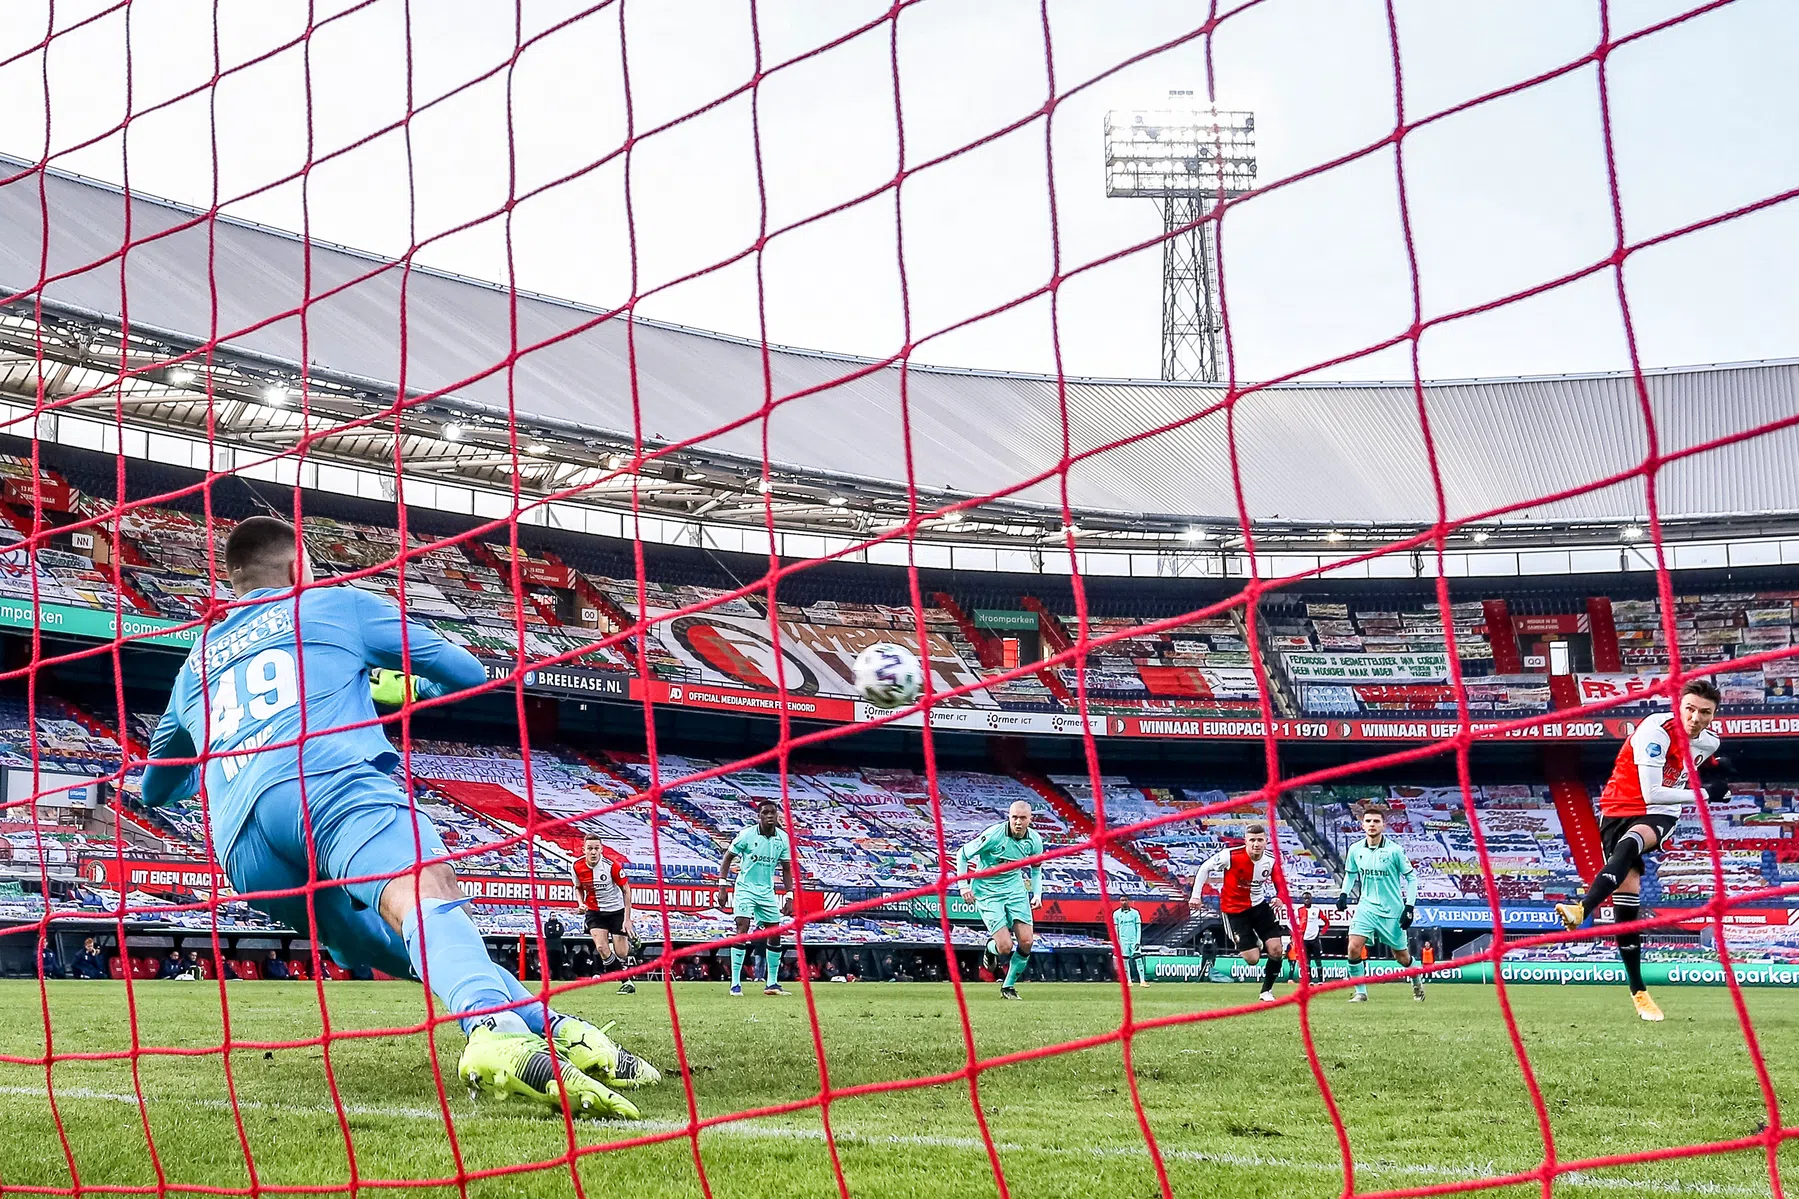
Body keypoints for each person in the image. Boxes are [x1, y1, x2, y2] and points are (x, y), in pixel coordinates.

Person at [139, 516, 658, 1117]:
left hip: (242, 846)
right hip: (323, 782)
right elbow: (464, 672)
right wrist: (396, 687)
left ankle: (566, 1032)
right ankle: (499, 1039)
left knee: (414, 942)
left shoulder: (195, 661)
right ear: (296, 569)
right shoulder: (335, 606)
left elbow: (156, 786)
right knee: (427, 894)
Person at [1555, 678, 1725, 1022]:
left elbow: (1670, 791)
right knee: (1626, 902)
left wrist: (1715, 774)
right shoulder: (1654, 730)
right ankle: (1639, 992)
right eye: (1689, 709)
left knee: (1632, 843)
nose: (1695, 717)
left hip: (1661, 815)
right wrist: (1708, 794)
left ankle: (1582, 908)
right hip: (1619, 808)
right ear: (1678, 707)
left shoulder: (1709, 742)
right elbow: (1652, 792)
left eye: (1704, 712)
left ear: (1713, 714)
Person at [954, 800, 1044, 1000]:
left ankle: (1008, 986)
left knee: (1027, 941)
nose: (1018, 822)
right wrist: (963, 886)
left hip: (1015, 889)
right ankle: (990, 948)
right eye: (1014, 818)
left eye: (1022, 818)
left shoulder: (1035, 841)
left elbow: (1036, 869)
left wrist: (1037, 894)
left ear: (1030, 819)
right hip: (987, 891)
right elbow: (962, 854)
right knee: (1005, 947)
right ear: (1009, 817)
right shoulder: (994, 835)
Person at [1188, 823, 1287, 1002]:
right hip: (1234, 911)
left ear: (1266, 841)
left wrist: (1280, 897)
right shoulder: (1230, 856)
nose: (1256, 844)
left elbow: (1280, 883)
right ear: (1246, 841)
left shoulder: (1271, 861)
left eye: (1260, 840)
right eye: (1252, 840)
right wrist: (1196, 896)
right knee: (1252, 959)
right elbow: (1204, 868)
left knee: (1276, 950)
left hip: (1259, 907)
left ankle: (1266, 991)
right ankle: (1254, 939)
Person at [1337, 807, 1424, 1004]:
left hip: (1392, 910)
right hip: (1366, 907)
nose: (1372, 825)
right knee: (1353, 948)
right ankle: (1361, 992)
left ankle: (1416, 978)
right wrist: (1344, 893)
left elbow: (1412, 878)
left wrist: (1409, 907)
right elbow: (1351, 874)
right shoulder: (1356, 849)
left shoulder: (1394, 851)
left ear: (1383, 825)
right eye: (1368, 821)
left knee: (1401, 957)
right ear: (1362, 825)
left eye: (1376, 821)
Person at [717, 799, 796, 997]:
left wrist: (789, 895)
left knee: (775, 932)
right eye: (765, 813)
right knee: (742, 927)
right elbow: (727, 858)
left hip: (767, 891)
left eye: (773, 812)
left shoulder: (783, 839)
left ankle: (772, 983)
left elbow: (787, 869)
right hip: (745, 888)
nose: (770, 816)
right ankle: (735, 983)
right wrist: (722, 886)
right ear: (758, 816)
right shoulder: (746, 835)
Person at [573, 833, 635, 994]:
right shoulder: (576, 866)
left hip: (616, 911)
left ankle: (633, 942)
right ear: (584, 850)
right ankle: (626, 981)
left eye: (596, 849)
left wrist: (627, 919)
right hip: (595, 912)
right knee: (601, 947)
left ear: (601, 849)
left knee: (622, 952)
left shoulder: (612, 866)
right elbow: (578, 888)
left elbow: (626, 890)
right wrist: (580, 903)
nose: (593, 852)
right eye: (590, 849)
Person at [1113, 898, 1149, 986]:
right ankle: (1129, 980)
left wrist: (1138, 941)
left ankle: (1142, 980)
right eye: (1122, 900)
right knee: (1125, 960)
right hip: (1123, 941)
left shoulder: (1135, 913)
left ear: (1129, 901)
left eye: (1125, 900)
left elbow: (1138, 928)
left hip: (1133, 940)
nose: (1124, 902)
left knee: (1138, 959)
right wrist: (1118, 942)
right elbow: (1116, 929)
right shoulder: (1116, 914)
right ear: (1119, 902)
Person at [1299, 892, 1325, 984]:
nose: (1306, 900)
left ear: (1311, 899)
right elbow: (1290, 922)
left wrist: (1322, 932)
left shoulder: (1316, 910)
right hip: (1305, 939)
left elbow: (1326, 922)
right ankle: (1309, 980)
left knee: (1318, 960)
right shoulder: (1299, 910)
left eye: (1308, 898)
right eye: (1305, 898)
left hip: (1315, 939)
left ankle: (1320, 980)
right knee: (1307, 960)